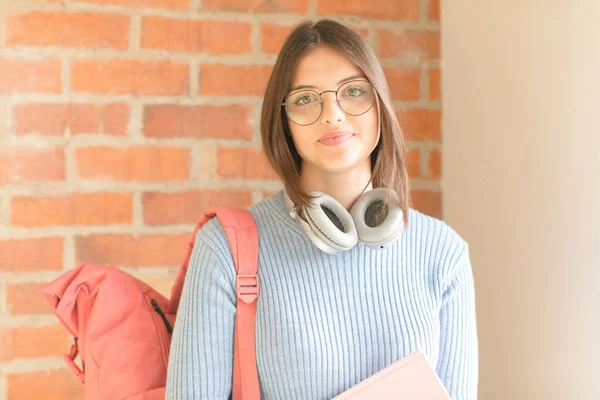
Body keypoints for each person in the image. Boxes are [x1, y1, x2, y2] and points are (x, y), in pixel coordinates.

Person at [166, 19, 478, 400]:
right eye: (305, 99)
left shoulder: (442, 252)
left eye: (353, 92)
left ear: (379, 105)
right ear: (284, 123)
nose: (332, 114)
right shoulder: (224, 250)